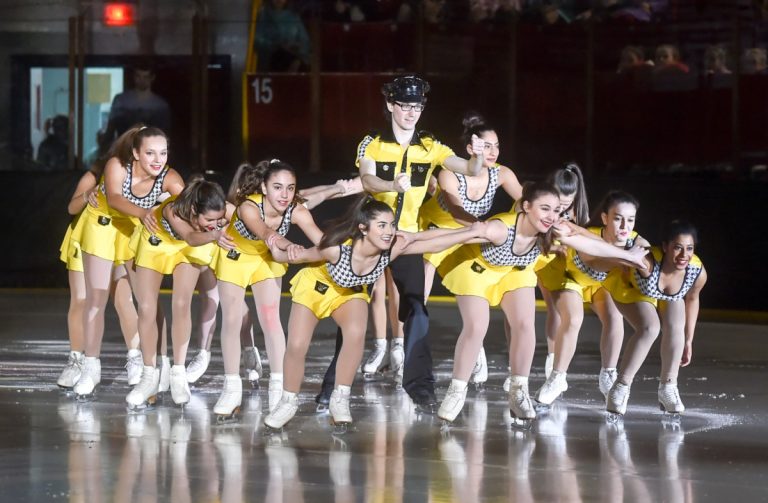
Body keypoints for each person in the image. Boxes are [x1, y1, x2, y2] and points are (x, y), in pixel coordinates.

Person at [316, 75, 486, 412]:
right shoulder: (372, 143)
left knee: (417, 309)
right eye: (405, 105)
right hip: (367, 237)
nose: (411, 112)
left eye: (417, 106)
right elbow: (366, 178)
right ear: (391, 105)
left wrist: (478, 157)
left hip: (405, 238)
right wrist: (392, 185)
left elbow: (468, 167)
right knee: (352, 314)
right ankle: (333, 388)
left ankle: (420, 386)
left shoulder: (430, 145)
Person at [263, 197, 488, 430]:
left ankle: (340, 399)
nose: (389, 231)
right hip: (316, 289)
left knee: (356, 333)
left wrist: (469, 233)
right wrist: (275, 245)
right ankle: (288, 402)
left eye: (391, 225)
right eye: (381, 225)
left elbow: (433, 244)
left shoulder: (391, 249)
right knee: (297, 345)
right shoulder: (335, 249)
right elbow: (293, 256)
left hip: (349, 294)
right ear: (363, 228)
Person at [435, 182, 649, 424]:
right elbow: (449, 236)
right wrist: (410, 241)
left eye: (557, 210)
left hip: (514, 270)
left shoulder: (554, 226)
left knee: (526, 326)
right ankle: (457, 390)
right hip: (478, 269)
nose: (553, 216)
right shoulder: (499, 228)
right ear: (526, 206)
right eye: (546, 208)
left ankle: (519, 391)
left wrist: (627, 255)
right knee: (476, 327)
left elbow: (587, 242)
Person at [73, 125, 184, 398]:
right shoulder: (116, 165)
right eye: (150, 153)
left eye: (163, 153)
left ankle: (157, 364)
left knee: (147, 301)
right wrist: (146, 211)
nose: (158, 159)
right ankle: (90, 367)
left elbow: (192, 203)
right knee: (96, 299)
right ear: (135, 153)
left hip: (135, 229)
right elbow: (114, 199)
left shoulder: (170, 177)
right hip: (103, 225)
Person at [212, 159, 324, 419]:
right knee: (231, 319)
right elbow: (266, 234)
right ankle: (231, 388)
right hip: (236, 255)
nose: (284, 195)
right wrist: (291, 247)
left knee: (272, 320)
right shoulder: (249, 207)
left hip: (266, 259)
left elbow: (322, 240)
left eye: (290, 188)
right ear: (263, 187)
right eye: (277, 187)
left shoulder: (297, 211)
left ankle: (278, 388)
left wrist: (343, 251)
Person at [418, 112, 523, 387]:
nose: (493, 151)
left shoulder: (503, 174)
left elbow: (527, 202)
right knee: (419, 299)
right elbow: (454, 210)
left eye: (496, 145)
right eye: (486, 146)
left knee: (478, 291)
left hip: (472, 235)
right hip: (437, 233)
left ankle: (475, 349)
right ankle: (406, 355)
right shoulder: (449, 173)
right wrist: (482, 229)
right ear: (470, 149)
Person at [535, 190, 650, 406]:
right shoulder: (591, 236)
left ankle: (608, 375)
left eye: (631, 220)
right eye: (618, 219)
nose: (625, 227)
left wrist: (642, 251)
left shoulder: (635, 241)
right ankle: (557, 377)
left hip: (599, 286)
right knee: (573, 319)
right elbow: (595, 263)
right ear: (605, 218)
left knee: (615, 317)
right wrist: (625, 258)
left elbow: (644, 256)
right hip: (570, 278)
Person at [126, 177, 229, 408]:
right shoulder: (175, 209)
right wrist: (214, 235)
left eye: (219, 219)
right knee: (146, 307)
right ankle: (149, 375)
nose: (215, 223)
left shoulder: (216, 213)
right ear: (194, 210)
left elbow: (244, 215)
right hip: (158, 242)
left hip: (186, 249)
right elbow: (192, 236)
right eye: (209, 219)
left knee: (181, 304)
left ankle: (178, 373)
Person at [606, 220, 707, 416]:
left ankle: (668, 387)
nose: (684, 255)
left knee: (677, 326)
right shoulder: (647, 262)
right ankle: (621, 386)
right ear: (665, 246)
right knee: (650, 328)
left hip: (668, 295)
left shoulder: (697, 271)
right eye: (677, 248)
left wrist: (689, 340)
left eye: (689, 248)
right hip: (630, 289)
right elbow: (616, 251)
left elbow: (692, 300)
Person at [56, 166, 141, 390]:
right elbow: (72, 207)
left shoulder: (147, 178)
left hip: (120, 239)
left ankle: (136, 358)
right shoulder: (95, 175)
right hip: (88, 237)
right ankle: (76, 360)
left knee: (124, 301)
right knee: (82, 301)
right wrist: (87, 195)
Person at [103, 64, 171, 142]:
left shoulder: (160, 105)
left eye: (146, 77)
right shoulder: (121, 100)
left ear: (152, 78)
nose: (142, 80)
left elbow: (165, 135)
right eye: (138, 76)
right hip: (125, 149)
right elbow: (110, 129)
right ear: (134, 77)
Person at [255, 0, 311, 72]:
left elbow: (305, 42)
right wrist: (273, 46)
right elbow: (256, 39)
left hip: (292, 64)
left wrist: (296, 48)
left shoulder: (294, 17)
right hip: (268, 64)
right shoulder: (262, 15)